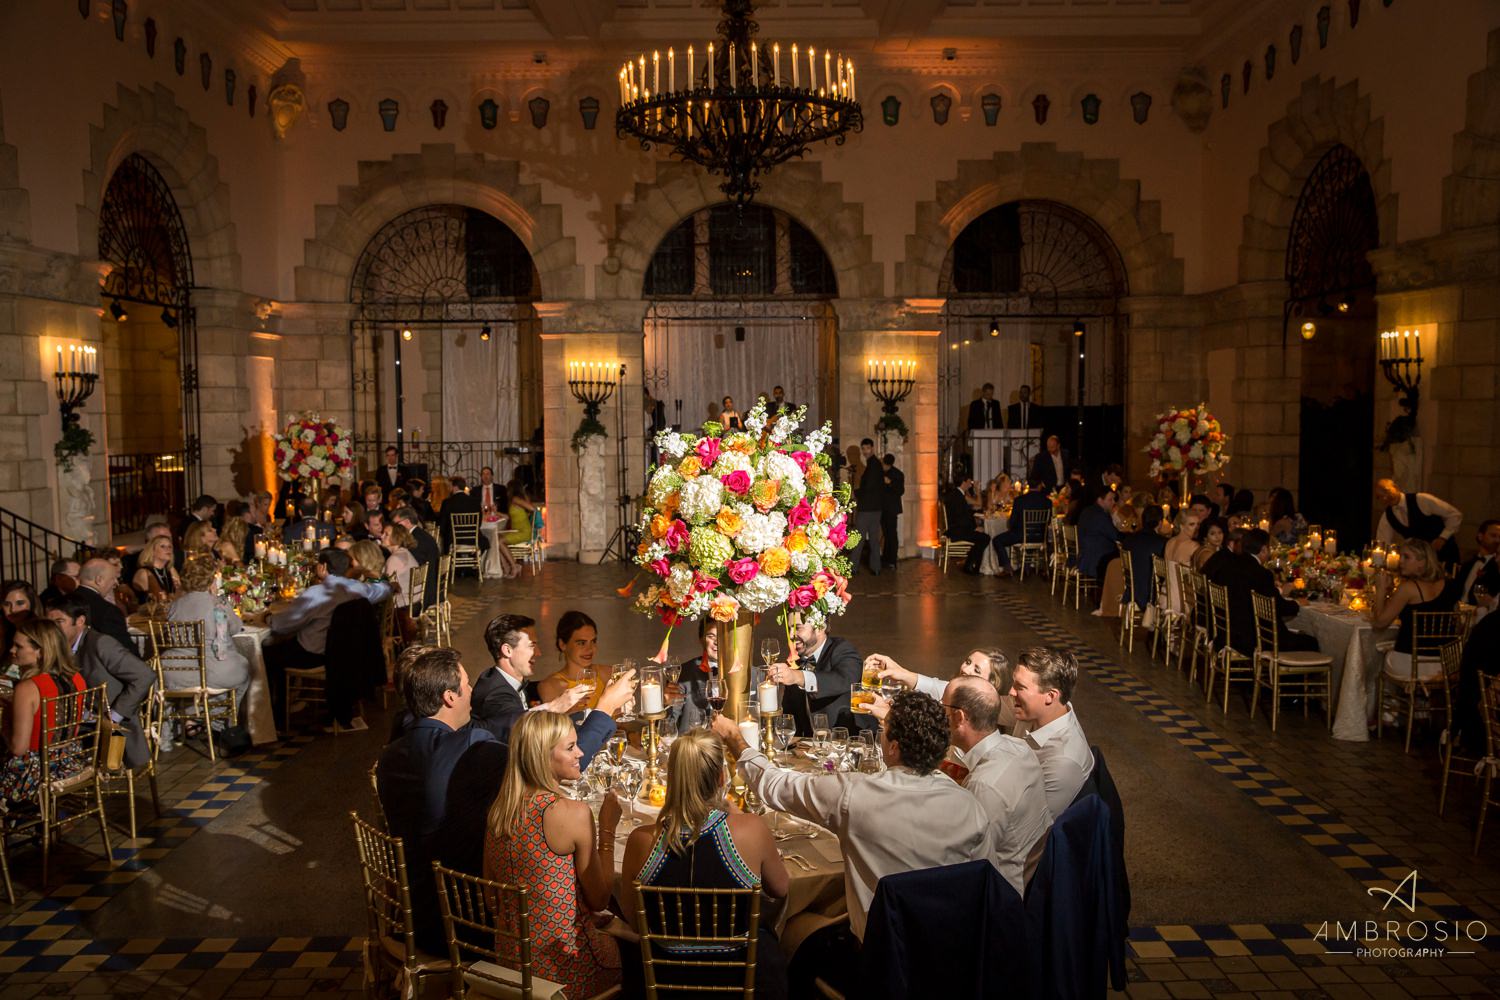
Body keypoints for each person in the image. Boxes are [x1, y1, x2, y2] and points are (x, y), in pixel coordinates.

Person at [710, 693, 990, 979]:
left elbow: (776, 786)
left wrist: (736, 739)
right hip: (952, 962)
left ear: (893, 747)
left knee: (791, 929)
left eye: (883, 732)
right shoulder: (972, 809)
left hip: (876, 964)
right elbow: (979, 888)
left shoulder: (856, 795)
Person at [619, 729, 791, 999]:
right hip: (741, 976)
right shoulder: (751, 829)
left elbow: (633, 920)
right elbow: (780, 888)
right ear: (722, 777)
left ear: (673, 778)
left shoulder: (641, 840)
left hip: (665, 980)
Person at [484, 711, 623, 999]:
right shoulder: (571, 814)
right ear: (541, 757)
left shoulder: (498, 813)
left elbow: (492, 900)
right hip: (566, 970)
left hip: (511, 967)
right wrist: (607, 830)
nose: (580, 753)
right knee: (637, 951)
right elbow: (600, 900)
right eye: (571, 747)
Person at [376, 646, 497, 954]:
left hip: (412, 910)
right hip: (464, 921)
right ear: (450, 696)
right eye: (467, 684)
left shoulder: (390, 756)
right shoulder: (468, 750)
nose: (471, 691)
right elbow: (534, 764)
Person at [941, 675, 1051, 894]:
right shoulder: (1018, 746)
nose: (938, 715)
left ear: (959, 717)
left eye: (942, 708)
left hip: (1004, 895)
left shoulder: (984, 786)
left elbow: (967, 860)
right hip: (1037, 875)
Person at [263, 548, 391, 731]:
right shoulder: (358, 588)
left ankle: (278, 716)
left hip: (314, 654)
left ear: (323, 567)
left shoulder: (316, 593)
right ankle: (297, 700)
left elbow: (283, 626)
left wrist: (267, 618)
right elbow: (383, 590)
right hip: (346, 653)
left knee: (267, 654)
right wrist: (390, 585)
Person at [470, 612, 623, 755]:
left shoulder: (515, 684)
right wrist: (555, 707)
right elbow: (519, 730)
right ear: (507, 650)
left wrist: (567, 711)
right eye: (532, 645)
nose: (539, 652)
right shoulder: (494, 693)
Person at [43, 593, 155, 768]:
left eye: (59, 622)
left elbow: (145, 675)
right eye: (49, 623)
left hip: (109, 730)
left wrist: (114, 717)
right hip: (76, 725)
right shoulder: (55, 647)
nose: (52, 629)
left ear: (80, 621)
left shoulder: (101, 643)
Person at [1, 618, 90, 808]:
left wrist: (5, 720)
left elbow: (19, 749)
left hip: (34, 775)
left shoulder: (27, 688)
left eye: (19, 646)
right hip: (70, 762)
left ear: (40, 652)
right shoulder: (76, 677)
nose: (12, 650)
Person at [1009, 646, 1095, 819]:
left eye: (1020, 687)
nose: (1011, 692)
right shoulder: (1037, 710)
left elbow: (1032, 829)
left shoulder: (1063, 762)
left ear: (1050, 696)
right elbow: (985, 703)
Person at [1213, 529, 1320, 656]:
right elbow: (1278, 607)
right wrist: (1298, 603)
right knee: (1312, 642)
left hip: (1229, 633)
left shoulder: (1229, 565)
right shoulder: (1261, 573)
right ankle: (1284, 675)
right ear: (1263, 549)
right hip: (1254, 639)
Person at [868, 646, 1021, 735]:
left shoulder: (978, 721)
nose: (965, 669)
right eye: (967, 662)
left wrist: (891, 717)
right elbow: (940, 687)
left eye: (976, 669)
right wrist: (903, 673)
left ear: (990, 685)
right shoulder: (955, 695)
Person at [164, 557, 253, 710]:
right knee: (246, 668)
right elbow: (236, 627)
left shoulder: (175, 605)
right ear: (212, 580)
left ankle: (191, 718)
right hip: (214, 670)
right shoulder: (217, 604)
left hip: (176, 671)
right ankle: (221, 723)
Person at [1371, 539, 1460, 689]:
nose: (1400, 562)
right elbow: (1457, 622)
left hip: (1410, 664)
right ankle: (1419, 709)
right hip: (1444, 665)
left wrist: (1380, 590)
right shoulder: (1450, 585)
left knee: (1375, 658)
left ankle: (1392, 711)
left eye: (1406, 557)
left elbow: (1380, 623)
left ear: (1422, 562)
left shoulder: (1409, 588)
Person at [764, 613, 864, 735]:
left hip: (847, 740)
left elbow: (846, 679)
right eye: (789, 628)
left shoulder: (841, 648)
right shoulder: (795, 663)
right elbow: (790, 717)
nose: (791, 635)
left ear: (820, 627)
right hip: (808, 747)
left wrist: (798, 676)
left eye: (798, 628)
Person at [531, 611, 640, 712]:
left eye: (593, 641)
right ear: (562, 644)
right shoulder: (550, 686)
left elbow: (623, 723)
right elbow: (554, 729)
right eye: (581, 643)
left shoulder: (609, 674)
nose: (590, 649)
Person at [1374, 478, 1464, 569]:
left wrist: (1443, 537)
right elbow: (1382, 543)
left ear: (1396, 487)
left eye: (1386, 491)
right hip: (1421, 564)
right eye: (1379, 496)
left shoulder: (1421, 499)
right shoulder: (1387, 516)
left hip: (1445, 556)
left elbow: (1455, 515)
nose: (1385, 497)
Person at [988, 478, 1053, 576]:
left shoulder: (1020, 500)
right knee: (1030, 538)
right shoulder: (1048, 502)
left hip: (1021, 535)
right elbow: (1048, 522)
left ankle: (1007, 567)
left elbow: (1013, 522)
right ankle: (1026, 565)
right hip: (1040, 537)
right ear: (1039, 485)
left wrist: (1013, 529)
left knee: (997, 540)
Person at [667, 617, 717, 732]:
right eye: (711, 636)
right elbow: (669, 727)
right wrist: (668, 705)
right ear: (701, 639)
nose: (717, 641)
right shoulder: (682, 673)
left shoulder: (751, 674)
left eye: (722, 635)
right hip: (691, 746)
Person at [75, 558, 134, 652]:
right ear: (99, 580)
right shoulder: (108, 611)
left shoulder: (62, 602)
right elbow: (125, 653)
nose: (116, 583)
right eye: (113, 578)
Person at [1120, 505, 1168, 611]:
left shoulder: (1129, 540)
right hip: (1151, 594)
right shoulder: (1162, 542)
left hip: (1131, 591)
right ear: (1160, 522)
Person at [391, 506, 440, 607]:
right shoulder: (421, 534)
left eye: (397, 524)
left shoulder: (415, 541)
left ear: (407, 522)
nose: (394, 529)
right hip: (431, 587)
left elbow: (414, 569)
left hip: (424, 594)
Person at [939, 479, 987, 574]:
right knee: (985, 538)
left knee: (983, 536)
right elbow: (961, 518)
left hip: (956, 528)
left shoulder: (957, 494)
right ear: (963, 482)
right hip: (957, 531)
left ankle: (972, 565)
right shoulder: (958, 496)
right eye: (969, 481)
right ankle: (970, 566)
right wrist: (974, 528)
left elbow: (964, 513)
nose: (971, 484)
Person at [852, 439, 885, 575]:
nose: (865, 451)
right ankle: (876, 568)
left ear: (872, 448)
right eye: (863, 449)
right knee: (873, 540)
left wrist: (855, 493)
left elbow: (868, 487)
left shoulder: (873, 465)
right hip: (875, 508)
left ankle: (853, 568)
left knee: (858, 539)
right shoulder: (875, 464)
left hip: (867, 509)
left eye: (867, 448)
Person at [1076, 487, 1121, 587]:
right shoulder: (1100, 515)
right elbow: (1115, 535)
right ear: (1100, 500)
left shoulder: (1087, 511)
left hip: (1085, 554)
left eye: (1114, 499)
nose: (1113, 502)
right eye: (1110, 500)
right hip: (1097, 558)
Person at [1457, 519, 1500, 616]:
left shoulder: (1497, 565)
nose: (1498, 540)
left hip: (1480, 613)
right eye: (1493, 536)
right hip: (1458, 610)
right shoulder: (1468, 563)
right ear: (1480, 536)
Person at [132, 535, 181, 602]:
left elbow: (180, 593)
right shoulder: (144, 572)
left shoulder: (170, 570)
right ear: (153, 551)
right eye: (162, 546)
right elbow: (157, 598)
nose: (168, 549)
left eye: (170, 546)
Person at [880, 453, 904, 568]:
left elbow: (900, 491)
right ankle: (885, 558)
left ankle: (892, 560)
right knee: (886, 533)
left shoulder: (898, 474)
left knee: (892, 534)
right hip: (882, 507)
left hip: (892, 509)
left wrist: (890, 483)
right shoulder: (881, 472)